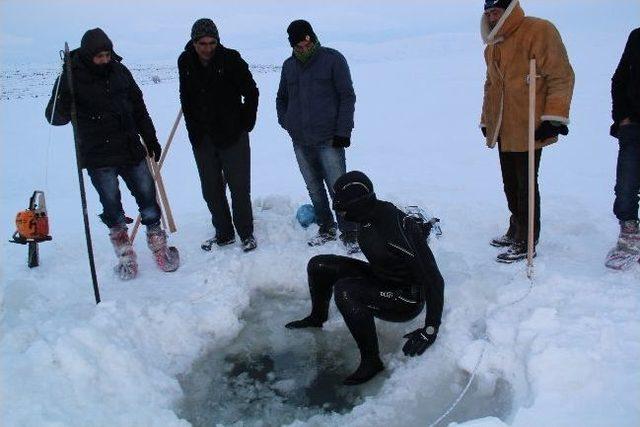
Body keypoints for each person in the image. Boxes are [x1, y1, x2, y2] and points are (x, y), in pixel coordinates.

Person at [285, 171, 445, 385]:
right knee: (319, 265)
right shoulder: (369, 215)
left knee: (346, 291)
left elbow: (434, 280)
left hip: (405, 299)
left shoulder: (394, 231)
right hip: (382, 276)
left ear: (359, 204)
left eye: (342, 207)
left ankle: (372, 361)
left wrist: (430, 329)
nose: (339, 212)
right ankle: (317, 317)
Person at [45, 28, 179, 280]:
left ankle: (160, 249)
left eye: (107, 54)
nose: (105, 60)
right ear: (87, 55)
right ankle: (126, 258)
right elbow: (55, 117)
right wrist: (63, 97)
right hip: (98, 156)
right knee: (112, 208)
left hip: (130, 149)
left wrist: (150, 137)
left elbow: (139, 107)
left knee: (148, 200)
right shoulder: (71, 77)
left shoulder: (120, 72)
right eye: (99, 56)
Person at [480, 0, 575, 263]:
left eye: (496, 11)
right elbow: (491, 85)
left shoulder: (538, 30)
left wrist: (554, 118)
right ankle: (516, 227)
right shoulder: (494, 45)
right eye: (488, 12)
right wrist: (487, 119)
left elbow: (561, 75)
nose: (491, 16)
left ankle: (527, 238)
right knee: (510, 182)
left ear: (509, 10)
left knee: (526, 184)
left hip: (529, 124)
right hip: (504, 124)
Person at [276, 20, 359, 253]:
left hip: (329, 139)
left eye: (306, 44)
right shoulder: (289, 66)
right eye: (298, 47)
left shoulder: (333, 59)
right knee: (313, 187)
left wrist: (343, 132)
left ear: (312, 38)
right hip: (300, 140)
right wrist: (287, 121)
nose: (303, 49)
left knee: (338, 187)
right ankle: (326, 227)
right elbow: (281, 98)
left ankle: (350, 231)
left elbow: (347, 97)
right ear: (292, 46)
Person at [178, 18, 259, 253]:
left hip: (233, 135)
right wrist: (192, 130)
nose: (207, 48)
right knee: (211, 189)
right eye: (202, 43)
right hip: (203, 138)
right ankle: (223, 233)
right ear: (193, 42)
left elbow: (251, 91)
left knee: (239, 187)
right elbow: (186, 97)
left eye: (212, 42)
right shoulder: (185, 61)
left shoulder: (231, 59)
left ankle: (246, 233)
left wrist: (246, 121)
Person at [605, 28, 640, 270]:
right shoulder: (637, 37)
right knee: (626, 183)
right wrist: (622, 117)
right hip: (634, 125)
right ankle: (629, 236)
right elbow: (619, 79)